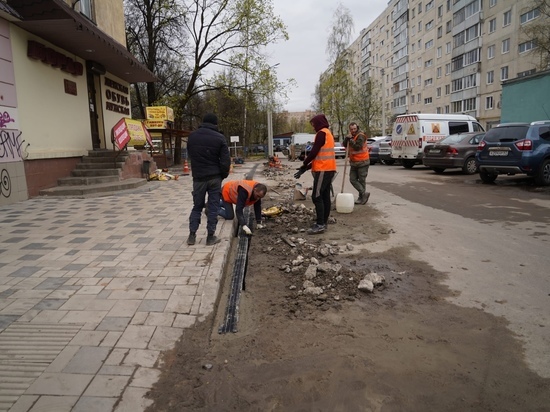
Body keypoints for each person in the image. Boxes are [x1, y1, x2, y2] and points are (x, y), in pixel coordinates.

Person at [186, 113, 231, 246]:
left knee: (197, 206)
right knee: (213, 207)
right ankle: (210, 237)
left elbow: (191, 155)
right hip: (214, 177)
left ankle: (192, 235)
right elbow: (225, 161)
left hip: (198, 178)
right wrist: (223, 174)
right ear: (215, 124)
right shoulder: (220, 138)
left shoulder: (192, 136)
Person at [294, 114, 336, 235]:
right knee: (324, 196)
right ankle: (323, 221)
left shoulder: (322, 133)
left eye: (313, 125)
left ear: (318, 123)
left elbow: (313, 153)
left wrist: (304, 163)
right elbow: (320, 157)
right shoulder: (328, 133)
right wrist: (305, 168)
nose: (313, 128)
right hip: (328, 169)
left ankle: (320, 224)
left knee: (316, 196)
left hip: (323, 170)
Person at [343, 122, 370, 204]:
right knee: (352, 179)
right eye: (351, 129)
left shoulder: (361, 136)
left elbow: (358, 147)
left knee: (362, 180)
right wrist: (346, 139)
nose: (353, 130)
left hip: (363, 162)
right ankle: (363, 193)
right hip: (354, 162)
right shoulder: (351, 136)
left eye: (354, 129)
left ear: (357, 128)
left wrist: (350, 140)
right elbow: (345, 145)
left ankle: (361, 198)